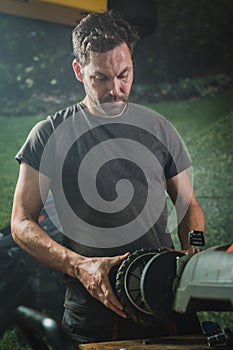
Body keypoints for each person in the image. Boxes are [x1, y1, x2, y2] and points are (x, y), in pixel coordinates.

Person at [11, 11, 205, 344]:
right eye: (100, 78)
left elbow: (190, 208)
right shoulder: (48, 134)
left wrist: (192, 256)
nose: (116, 89)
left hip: (165, 299)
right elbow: (20, 223)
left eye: (124, 74)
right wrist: (79, 266)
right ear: (78, 71)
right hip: (93, 310)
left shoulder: (159, 128)